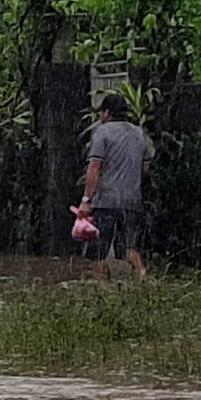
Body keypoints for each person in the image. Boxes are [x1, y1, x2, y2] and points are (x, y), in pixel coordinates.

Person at [81, 92, 154, 281]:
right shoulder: (139, 133)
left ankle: (105, 291)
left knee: (98, 252)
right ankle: (143, 276)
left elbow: (95, 167)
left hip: (106, 202)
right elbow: (145, 169)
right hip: (133, 201)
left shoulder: (102, 133)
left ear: (106, 113)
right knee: (130, 249)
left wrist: (87, 200)